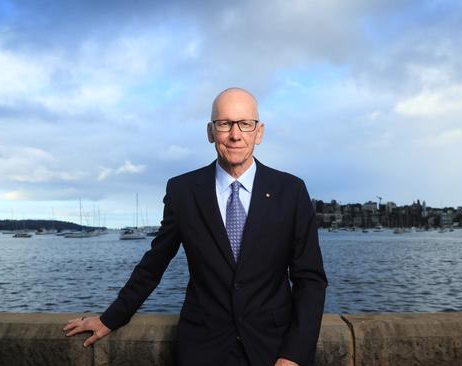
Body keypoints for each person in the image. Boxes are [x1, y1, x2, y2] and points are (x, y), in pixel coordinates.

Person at [64, 88, 327, 366]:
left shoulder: (291, 191)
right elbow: (155, 262)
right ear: (210, 132)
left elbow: (310, 280)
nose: (235, 135)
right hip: (203, 348)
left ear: (258, 132)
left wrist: (294, 355)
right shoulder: (183, 191)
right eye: (224, 124)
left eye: (245, 124)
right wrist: (111, 318)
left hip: (274, 349)